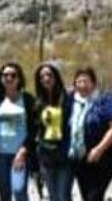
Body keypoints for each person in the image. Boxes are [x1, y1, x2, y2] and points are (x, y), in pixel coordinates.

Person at [68, 68, 112, 201]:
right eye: (78, 82)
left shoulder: (104, 101)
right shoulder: (72, 102)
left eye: (85, 81)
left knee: (94, 197)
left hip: (101, 160)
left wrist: (99, 149)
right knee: (87, 197)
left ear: (93, 83)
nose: (82, 85)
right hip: (79, 160)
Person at [0, 62, 38, 201]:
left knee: (19, 190)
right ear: (1, 78)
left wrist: (23, 150)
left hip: (20, 154)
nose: (9, 78)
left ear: (19, 78)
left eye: (13, 75)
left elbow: (34, 129)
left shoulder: (27, 99)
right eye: (5, 75)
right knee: (4, 195)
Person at [34, 63, 72, 201]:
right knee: (53, 196)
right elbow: (37, 128)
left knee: (63, 196)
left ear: (56, 76)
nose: (46, 78)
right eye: (42, 76)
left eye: (49, 74)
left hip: (64, 155)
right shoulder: (38, 102)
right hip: (46, 155)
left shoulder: (67, 98)